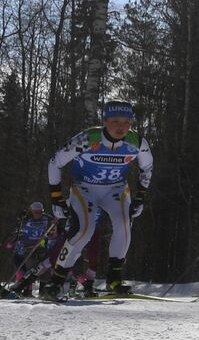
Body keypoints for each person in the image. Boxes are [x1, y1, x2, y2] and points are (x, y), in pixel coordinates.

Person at [40, 101, 154, 299]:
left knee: (125, 224)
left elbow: (148, 168)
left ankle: (114, 278)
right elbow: (54, 162)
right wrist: (57, 199)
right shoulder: (88, 138)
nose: (121, 127)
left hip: (116, 188)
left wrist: (140, 197)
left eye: (126, 122)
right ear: (105, 121)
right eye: (115, 121)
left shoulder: (137, 142)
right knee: (84, 231)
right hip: (85, 188)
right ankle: (56, 281)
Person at [6, 201, 54, 295]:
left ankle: (40, 290)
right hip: (23, 247)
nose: (38, 214)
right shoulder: (26, 218)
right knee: (22, 269)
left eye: (40, 212)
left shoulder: (45, 218)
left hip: (37, 247)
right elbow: (17, 222)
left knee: (39, 268)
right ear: (31, 211)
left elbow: (54, 222)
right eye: (36, 212)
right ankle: (25, 289)